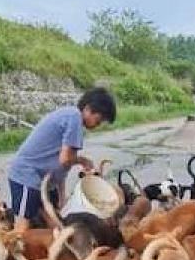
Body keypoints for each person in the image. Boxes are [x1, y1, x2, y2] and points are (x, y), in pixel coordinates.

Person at [8, 87, 116, 225]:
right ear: (88, 109)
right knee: (22, 230)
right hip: (26, 177)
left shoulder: (70, 116)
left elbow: (61, 168)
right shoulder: (74, 118)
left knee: (55, 226)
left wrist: (61, 196)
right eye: (98, 120)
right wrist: (82, 161)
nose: (97, 125)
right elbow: (65, 160)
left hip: (43, 183)